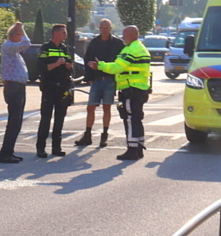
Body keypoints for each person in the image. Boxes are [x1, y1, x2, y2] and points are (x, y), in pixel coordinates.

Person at [89, 25, 151, 161]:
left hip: (131, 89)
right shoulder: (141, 48)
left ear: (130, 35)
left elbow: (117, 68)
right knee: (137, 119)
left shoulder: (130, 50)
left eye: (124, 35)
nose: (122, 37)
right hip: (140, 88)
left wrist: (100, 65)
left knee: (130, 119)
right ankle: (139, 147)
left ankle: (132, 150)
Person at [74, 19, 123, 148]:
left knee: (107, 107)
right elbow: (87, 59)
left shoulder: (117, 43)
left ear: (110, 28)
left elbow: (121, 62)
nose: (104, 30)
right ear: (99, 28)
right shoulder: (94, 42)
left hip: (109, 80)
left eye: (106, 27)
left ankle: (104, 135)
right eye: (102, 27)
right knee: (90, 107)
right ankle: (87, 135)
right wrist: (89, 77)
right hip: (96, 80)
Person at [36, 24, 74, 158]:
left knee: (60, 118)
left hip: (62, 87)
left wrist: (69, 66)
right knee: (46, 117)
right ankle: (41, 148)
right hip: (49, 87)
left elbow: (70, 64)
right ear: (56, 34)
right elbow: (41, 68)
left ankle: (56, 147)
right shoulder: (45, 48)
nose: (66, 35)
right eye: (63, 33)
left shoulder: (64, 48)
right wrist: (56, 64)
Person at [0, 22, 31, 163]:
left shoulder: (14, 51)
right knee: (14, 121)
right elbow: (27, 43)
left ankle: (9, 151)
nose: (21, 37)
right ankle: (5, 153)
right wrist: (21, 29)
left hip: (18, 87)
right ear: (13, 35)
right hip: (13, 87)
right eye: (19, 35)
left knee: (16, 121)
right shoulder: (8, 46)